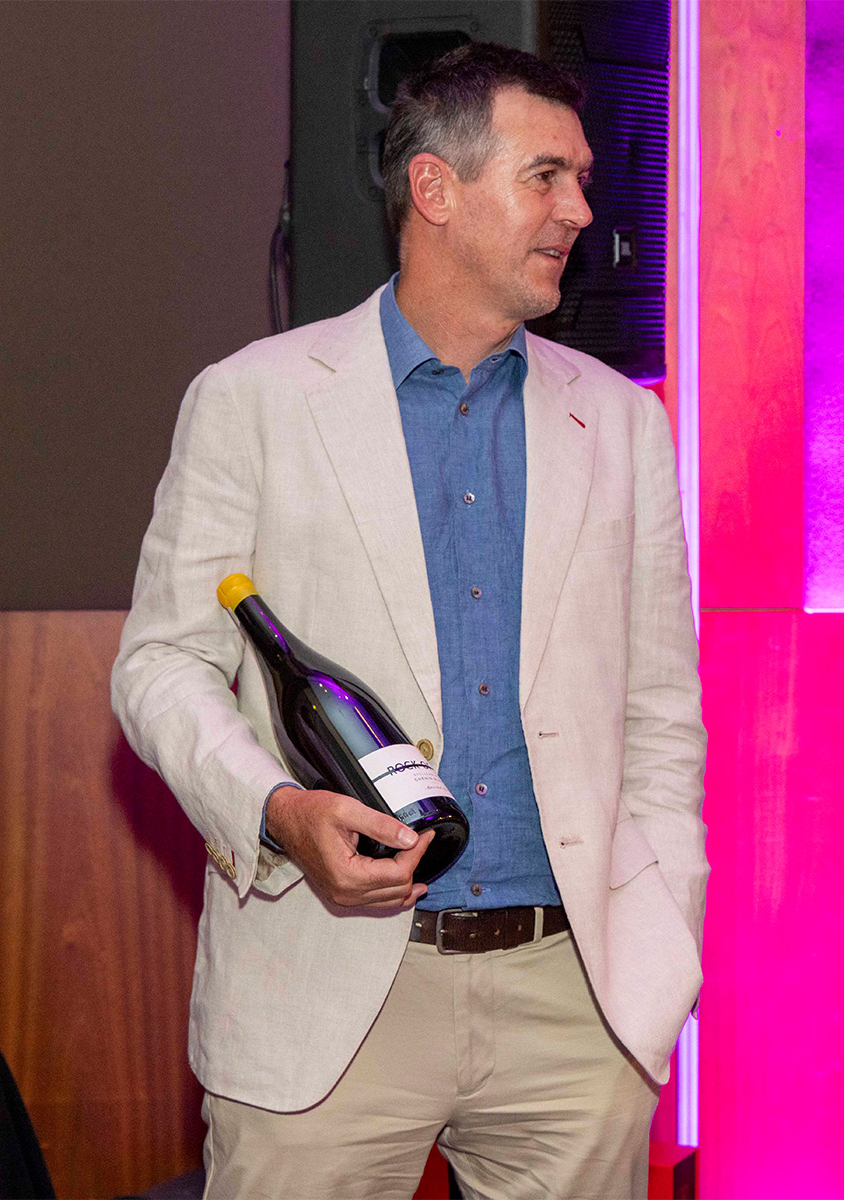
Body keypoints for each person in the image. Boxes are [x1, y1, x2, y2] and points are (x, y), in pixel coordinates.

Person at [111, 43, 706, 1200]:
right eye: (546, 177)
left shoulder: (623, 425)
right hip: (323, 987)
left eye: (581, 180)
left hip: (574, 1005)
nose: (580, 211)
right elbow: (161, 667)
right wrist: (278, 814)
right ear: (435, 188)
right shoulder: (255, 400)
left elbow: (660, 712)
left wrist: (663, 937)